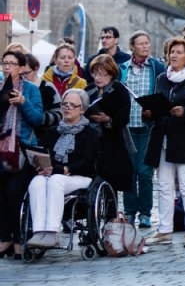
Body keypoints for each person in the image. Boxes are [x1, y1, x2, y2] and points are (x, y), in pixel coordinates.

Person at [143, 36, 185, 248]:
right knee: (164, 185)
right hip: (163, 135)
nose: (174, 55)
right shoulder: (163, 78)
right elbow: (159, 103)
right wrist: (149, 112)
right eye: (172, 51)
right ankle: (165, 229)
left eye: (179, 52)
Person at [22, 87, 100, 249]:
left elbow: (87, 161)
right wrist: (40, 165)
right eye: (65, 104)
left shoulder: (90, 133)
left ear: (82, 110)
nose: (67, 108)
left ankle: (51, 231)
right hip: (53, 173)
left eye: (73, 105)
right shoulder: (53, 132)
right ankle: (38, 231)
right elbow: (44, 153)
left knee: (56, 181)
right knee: (37, 181)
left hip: (79, 176)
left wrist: (64, 169)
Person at [120, 29, 165, 228]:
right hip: (128, 127)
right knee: (129, 170)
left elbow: (162, 96)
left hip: (148, 126)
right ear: (132, 47)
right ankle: (130, 212)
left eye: (147, 43)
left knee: (144, 171)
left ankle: (145, 213)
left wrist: (154, 111)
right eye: (141, 43)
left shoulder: (156, 67)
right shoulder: (123, 68)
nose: (145, 46)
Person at [0, 50, 44, 255]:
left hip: (22, 149)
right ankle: (5, 238)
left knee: (14, 193)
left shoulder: (32, 90)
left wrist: (23, 103)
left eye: (12, 63)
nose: (7, 67)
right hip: (2, 149)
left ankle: (18, 239)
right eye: (4, 63)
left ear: (20, 67)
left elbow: (38, 119)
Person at [84, 54, 134, 194]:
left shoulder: (119, 90)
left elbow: (124, 117)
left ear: (111, 74)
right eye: (95, 74)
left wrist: (108, 120)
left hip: (113, 141)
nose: (98, 78)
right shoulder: (89, 90)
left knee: (111, 182)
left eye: (102, 74)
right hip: (92, 139)